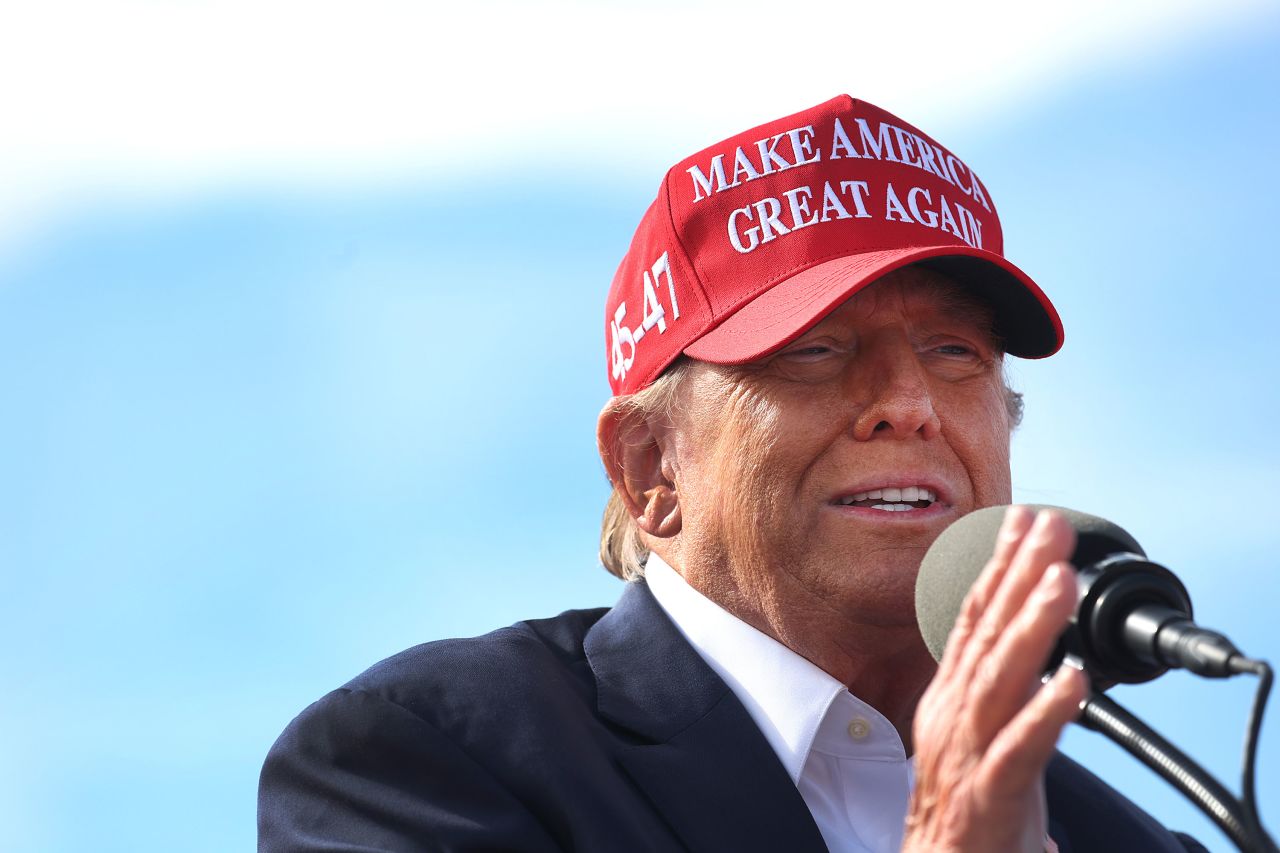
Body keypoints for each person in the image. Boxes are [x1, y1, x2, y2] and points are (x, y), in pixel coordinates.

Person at [259, 95, 1206, 852]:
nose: (909, 400)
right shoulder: (417, 762)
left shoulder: (1133, 839)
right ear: (649, 468)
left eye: (955, 350)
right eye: (815, 349)